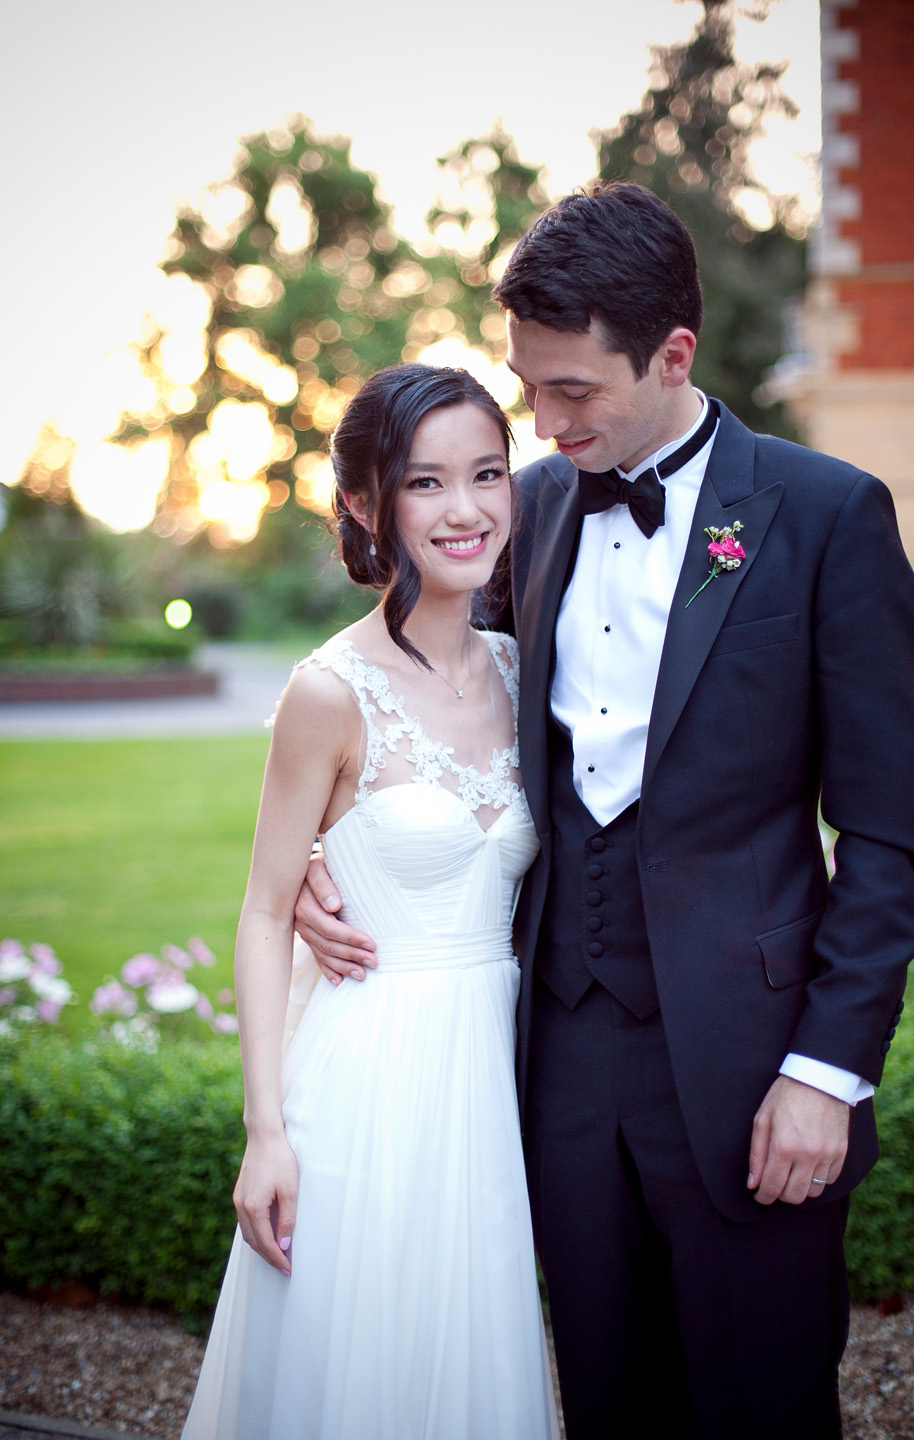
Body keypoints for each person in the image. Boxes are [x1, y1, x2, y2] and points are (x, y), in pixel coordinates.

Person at [295, 186, 914, 1439]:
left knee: (764, 1401)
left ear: (674, 356)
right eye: (529, 388)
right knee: (605, 1397)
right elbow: (404, 691)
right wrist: (331, 853)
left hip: (756, 1063)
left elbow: (890, 837)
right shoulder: (524, 507)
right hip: (556, 1055)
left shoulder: (826, 516)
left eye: (574, 391)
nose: (543, 420)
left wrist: (828, 1070)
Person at [181, 364, 558, 1440]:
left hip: (493, 1075)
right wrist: (265, 1133)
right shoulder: (326, 693)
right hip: (366, 1077)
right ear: (364, 504)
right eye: (426, 482)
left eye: (488, 474)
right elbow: (262, 910)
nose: (467, 509)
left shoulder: (526, 667)